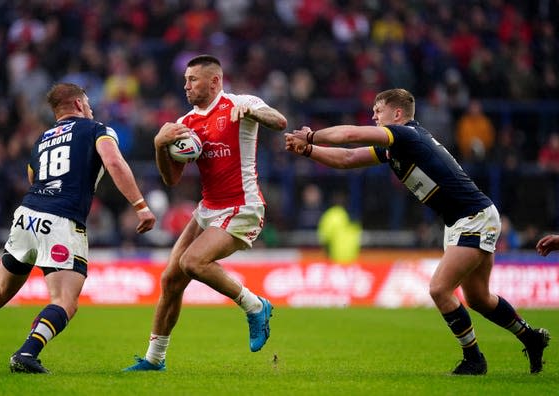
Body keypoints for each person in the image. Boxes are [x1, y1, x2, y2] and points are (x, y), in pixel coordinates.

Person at [285, 88, 550, 375]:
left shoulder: (407, 135)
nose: (373, 115)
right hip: (464, 219)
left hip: (473, 217)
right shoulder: (396, 146)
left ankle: (474, 359)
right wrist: (309, 151)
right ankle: (531, 338)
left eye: (378, 109)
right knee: (478, 298)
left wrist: (311, 136)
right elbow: (347, 159)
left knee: (439, 289)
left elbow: (350, 136)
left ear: (397, 114)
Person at [0, 83, 156, 374]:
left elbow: (32, 175)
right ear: (79, 105)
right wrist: (140, 205)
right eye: (89, 103)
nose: (92, 109)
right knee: (65, 301)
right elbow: (114, 162)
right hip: (62, 219)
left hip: (26, 215)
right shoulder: (97, 129)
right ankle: (27, 353)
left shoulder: (42, 139)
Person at [123, 54, 287, 372]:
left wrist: (254, 110)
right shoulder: (186, 124)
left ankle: (255, 306)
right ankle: (155, 360)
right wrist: (159, 145)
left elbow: (279, 122)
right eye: (185, 79)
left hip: (243, 206)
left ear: (214, 81)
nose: (186, 85)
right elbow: (171, 179)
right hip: (207, 209)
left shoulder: (239, 103)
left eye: (192, 79)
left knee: (193, 262)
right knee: (171, 280)